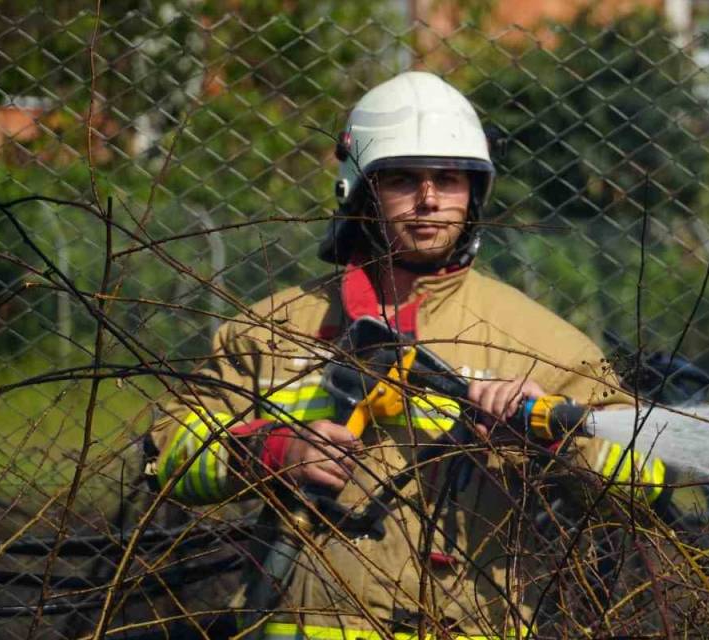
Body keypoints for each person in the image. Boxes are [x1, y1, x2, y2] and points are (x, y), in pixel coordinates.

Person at [145, 71, 672, 640]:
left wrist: (559, 434)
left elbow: (646, 487)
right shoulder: (275, 329)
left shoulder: (540, 343)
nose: (428, 200)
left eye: (448, 179)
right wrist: (271, 451)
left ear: (474, 193)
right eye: (402, 179)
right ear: (361, 189)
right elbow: (168, 452)